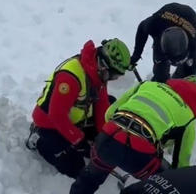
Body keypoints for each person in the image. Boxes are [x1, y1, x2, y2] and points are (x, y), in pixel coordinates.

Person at [55, 75, 196, 194]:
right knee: (163, 185)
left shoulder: (148, 85)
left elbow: (109, 113)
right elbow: (180, 166)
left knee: (90, 177)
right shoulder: (188, 117)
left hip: (108, 138)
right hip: (139, 154)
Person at [27, 39, 131, 178]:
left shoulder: (97, 74)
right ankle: (39, 140)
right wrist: (79, 140)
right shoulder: (70, 78)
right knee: (76, 168)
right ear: (103, 66)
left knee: (111, 107)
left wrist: (103, 137)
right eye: (113, 75)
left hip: (75, 118)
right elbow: (57, 115)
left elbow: (102, 106)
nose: (113, 79)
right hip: (50, 124)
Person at [130, 2, 196, 82]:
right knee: (160, 73)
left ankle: (177, 76)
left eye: (177, 62)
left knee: (185, 77)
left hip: (190, 17)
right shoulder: (154, 25)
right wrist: (136, 55)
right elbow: (142, 28)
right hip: (163, 24)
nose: (173, 64)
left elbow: (191, 75)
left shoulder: (192, 42)